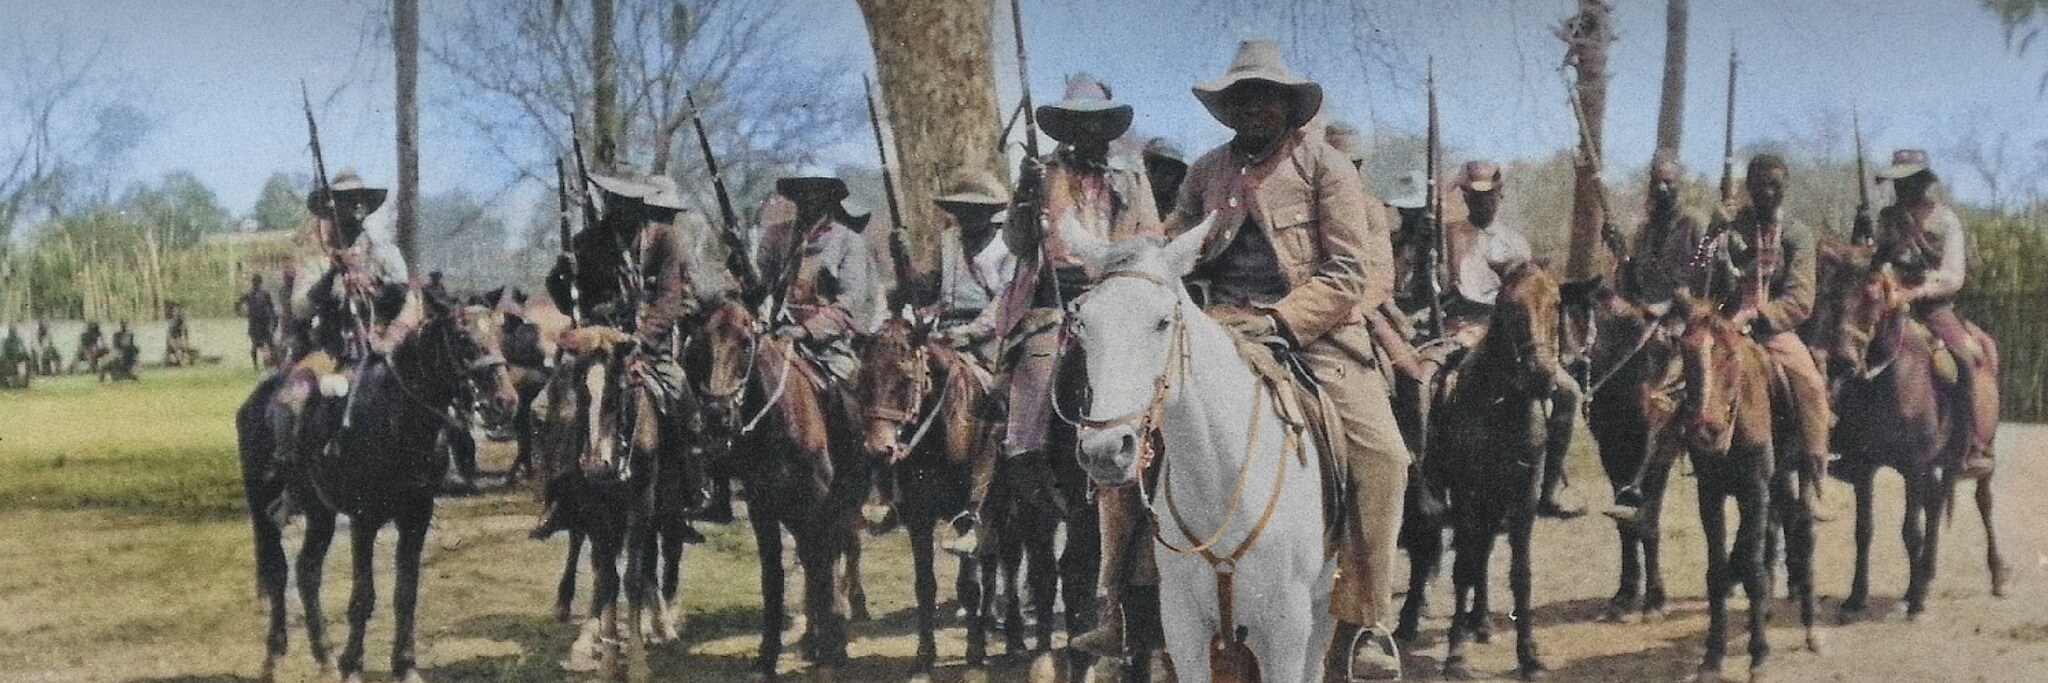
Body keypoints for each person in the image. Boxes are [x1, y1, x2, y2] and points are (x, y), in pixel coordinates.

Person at [1163, 38, 1407, 680]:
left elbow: (1348, 270)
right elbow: (1173, 247)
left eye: (1265, 96)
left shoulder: (1327, 167)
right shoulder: (1205, 172)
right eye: (1242, 96)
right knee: (1135, 432)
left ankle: (1366, 621)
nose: (1253, 107)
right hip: (1217, 328)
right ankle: (1131, 598)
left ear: (1288, 104)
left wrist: (1281, 322)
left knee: (1384, 456)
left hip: (1313, 334)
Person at [941, 74, 1163, 652]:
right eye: (1077, 123)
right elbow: (1019, 243)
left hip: (1116, 291)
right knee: (1038, 365)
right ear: (1065, 128)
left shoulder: (1131, 177)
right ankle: (1025, 461)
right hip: (1052, 300)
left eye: (1096, 123)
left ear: (1107, 128)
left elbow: (1150, 237)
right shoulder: (1045, 174)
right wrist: (1023, 197)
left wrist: (1120, 271)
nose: (1088, 132)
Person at [531, 170, 705, 541]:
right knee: (546, 407)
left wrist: (642, 337)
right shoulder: (587, 241)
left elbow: (669, 297)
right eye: (613, 199)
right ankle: (559, 495)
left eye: (626, 201)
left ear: (640, 203)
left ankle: (687, 494)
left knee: (686, 405)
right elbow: (566, 295)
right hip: (596, 341)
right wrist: (563, 279)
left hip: (646, 345)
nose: (618, 207)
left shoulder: (665, 240)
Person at [1427, 161, 1584, 520]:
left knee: (1568, 392)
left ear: (1500, 195)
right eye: (1474, 196)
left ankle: (1550, 488)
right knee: (1435, 386)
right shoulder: (1448, 236)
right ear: (1465, 197)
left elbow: (1530, 297)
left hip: (1512, 333)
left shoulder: (1516, 244)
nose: (1481, 203)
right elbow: (1443, 286)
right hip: (1463, 326)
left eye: (1488, 197)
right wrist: (1432, 263)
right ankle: (1433, 482)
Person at [264, 168, 394, 526]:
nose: (354, 210)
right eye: (346, 202)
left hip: (378, 346)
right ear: (331, 209)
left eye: (359, 202)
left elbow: (400, 293)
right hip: (331, 352)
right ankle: (292, 483)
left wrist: (374, 284)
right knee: (291, 400)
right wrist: (332, 274)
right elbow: (301, 307)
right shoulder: (315, 259)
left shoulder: (381, 251)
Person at [1871, 149, 1997, 474]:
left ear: (1922, 181)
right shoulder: (1888, 218)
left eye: (1907, 181)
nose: (1901, 188)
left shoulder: (1945, 221)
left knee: (1964, 359)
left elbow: (1953, 275)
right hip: (1889, 301)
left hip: (1932, 307)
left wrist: (1919, 291)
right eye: (1898, 182)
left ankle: (1971, 443)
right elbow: (1877, 258)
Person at [916, 166, 1015, 553]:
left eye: (974, 211)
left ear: (989, 213)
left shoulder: (1006, 247)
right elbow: (934, 292)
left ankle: (977, 505)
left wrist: (969, 332)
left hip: (990, 339)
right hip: (944, 331)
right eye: (961, 211)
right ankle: (900, 491)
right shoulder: (947, 242)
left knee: (997, 406)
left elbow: (1004, 301)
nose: (966, 218)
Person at [1140, 137, 1188, 221]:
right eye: (1164, 172)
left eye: (1171, 174)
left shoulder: (1177, 203)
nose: (1168, 179)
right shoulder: (1137, 191)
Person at [237, 274, 279, 369]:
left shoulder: (264, 294)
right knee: (256, 344)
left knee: (269, 343)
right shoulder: (249, 294)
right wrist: (241, 313)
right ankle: (256, 365)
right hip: (255, 322)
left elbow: (271, 307)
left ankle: (273, 363)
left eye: (258, 282)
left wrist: (274, 319)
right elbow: (238, 303)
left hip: (264, 321)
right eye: (256, 283)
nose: (257, 284)